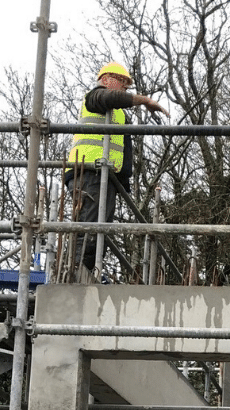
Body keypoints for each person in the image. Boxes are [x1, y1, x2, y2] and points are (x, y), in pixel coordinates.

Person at [65, 62, 169, 279]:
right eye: (121, 82)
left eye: (126, 85)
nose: (124, 88)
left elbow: (122, 150)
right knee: (89, 229)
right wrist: (146, 101)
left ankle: (86, 274)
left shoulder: (118, 114)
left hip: (105, 176)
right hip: (89, 171)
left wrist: (123, 181)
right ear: (105, 80)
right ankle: (75, 275)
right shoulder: (96, 97)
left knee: (99, 231)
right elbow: (110, 98)